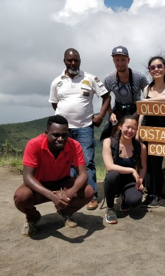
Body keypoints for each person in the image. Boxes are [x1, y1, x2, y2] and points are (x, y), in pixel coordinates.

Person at [49, 48, 110, 211]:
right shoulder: (57, 81)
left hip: (84, 127)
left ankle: (92, 196)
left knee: (87, 161)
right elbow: (55, 103)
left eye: (76, 60)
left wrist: (100, 116)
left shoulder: (90, 78)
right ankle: (70, 193)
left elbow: (106, 96)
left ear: (80, 61)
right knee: (66, 162)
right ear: (64, 61)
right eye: (70, 60)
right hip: (63, 131)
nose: (73, 63)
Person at [14, 115, 94, 236]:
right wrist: (52, 196)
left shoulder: (74, 145)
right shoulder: (34, 144)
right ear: (46, 133)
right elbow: (28, 178)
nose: (61, 139)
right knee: (21, 197)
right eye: (56, 135)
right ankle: (33, 217)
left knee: (88, 191)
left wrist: (69, 193)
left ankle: (66, 213)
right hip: (39, 184)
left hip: (62, 182)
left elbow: (83, 175)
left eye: (64, 135)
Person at [139, 55, 165, 208]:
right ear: (149, 71)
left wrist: (147, 101)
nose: (156, 70)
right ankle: (150, 192)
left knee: (156, 163)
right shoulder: (147, 88)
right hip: (147, 127)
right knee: (145, 162)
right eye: (153, 67)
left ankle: (157, 194)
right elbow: (142, 110)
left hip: (161, 130)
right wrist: (139, 129)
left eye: (160, 66)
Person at [102, 115, 147, 224]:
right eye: (127, 127)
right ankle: (110, 208)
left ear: (137, 130)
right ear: (120, 127)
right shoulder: (109, 142)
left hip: (130, 182)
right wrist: (132, 170)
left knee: (135, 201)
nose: (130, 131)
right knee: (112, 175)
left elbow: (144, 167)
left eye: (133, 128)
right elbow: (110, 167)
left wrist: (140, 180)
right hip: (114, 181)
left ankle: (125, 200)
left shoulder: (140, 147)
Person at [100, 46, 148, 140]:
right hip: (118, 110)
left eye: (123, 60)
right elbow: (105, 97)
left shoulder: (139, 76)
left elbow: (148, 95)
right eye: (117, 60)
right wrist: (110, 113)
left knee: (140, 138)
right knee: (111, 136)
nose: (120, 63)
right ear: (113, 61)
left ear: (128, 60)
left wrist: (138, 113)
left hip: (137, 109)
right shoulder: (108, 79)